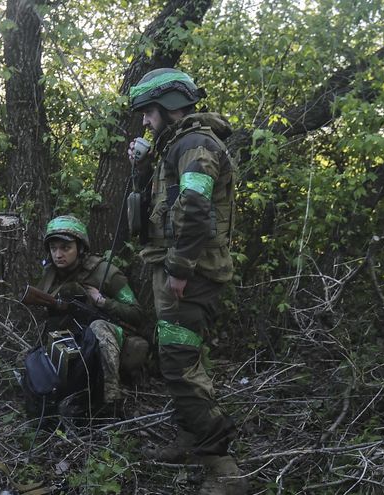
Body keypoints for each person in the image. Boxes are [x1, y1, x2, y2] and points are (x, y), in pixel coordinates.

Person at [127, 68, 246, 494]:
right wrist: (141, 167)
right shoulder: (176, 146)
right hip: (179, 270)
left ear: (169, 107)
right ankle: (190, 438)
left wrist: (178, 269)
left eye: (149, 113)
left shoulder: (195, 145)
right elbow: (160, 206)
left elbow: (195, 209)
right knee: (180, 360)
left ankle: (224, 469)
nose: (145, 121)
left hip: (189, 275)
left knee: (179, 365)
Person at [34, 215, 146, 415]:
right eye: (53, 249)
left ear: (80, 247)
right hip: (71, 338)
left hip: (108, 337)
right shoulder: (50, 274)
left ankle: (111, 399)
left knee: (99, 328)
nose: (58, 254)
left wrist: (103, 301)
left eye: (65, 248)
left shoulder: (106, 272)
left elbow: (137, 314)